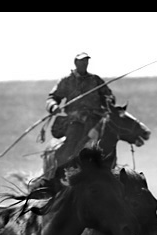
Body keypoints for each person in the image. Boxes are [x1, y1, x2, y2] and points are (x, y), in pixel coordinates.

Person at [42, 52, 115, 182]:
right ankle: (61, 174)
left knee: (110, 140)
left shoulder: (95, 80)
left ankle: (111, 172)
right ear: (76, 63)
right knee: (71, 144)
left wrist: (109, 100)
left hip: (96, 121)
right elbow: (52, 98)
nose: (84, 64)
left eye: (86, 61)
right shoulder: (67, 81)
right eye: (81, 61)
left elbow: (109, 96)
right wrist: (54, 107)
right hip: (75, 121)